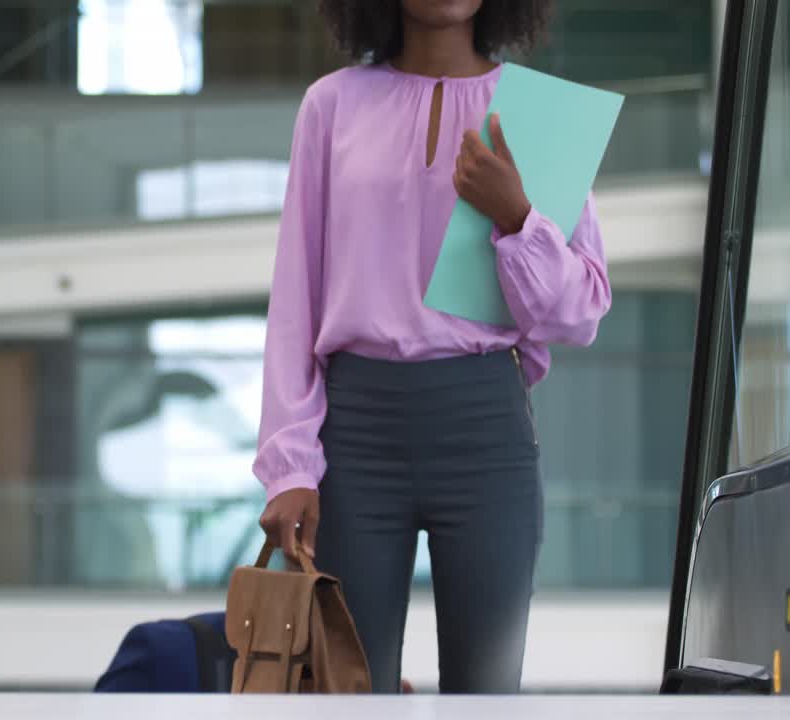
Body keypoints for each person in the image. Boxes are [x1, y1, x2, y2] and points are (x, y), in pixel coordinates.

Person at [251, 0, 611, 695]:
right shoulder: (331, 106)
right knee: (345, 693)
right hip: (353, 436)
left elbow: (582, 311)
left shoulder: (538, 116)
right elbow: (295, 299)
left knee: (487, 696)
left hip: (485, 427)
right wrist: (289, 466)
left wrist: (518, 217)